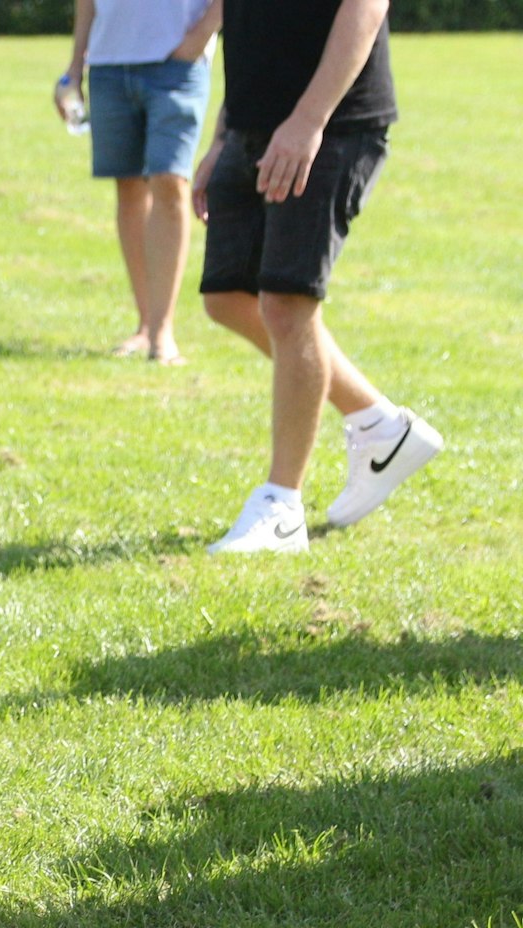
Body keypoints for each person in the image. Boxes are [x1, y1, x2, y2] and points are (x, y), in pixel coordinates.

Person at [196, 0, 442, 554]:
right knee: (229, 294)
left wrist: (308, 119)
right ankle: (381, 426)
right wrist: (222, 137)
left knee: (286, 303)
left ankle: (281, 507)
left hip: (331, 122)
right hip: (252, 123)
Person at [61, 0, 221, 364]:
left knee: (169, 181)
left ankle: (163, 331)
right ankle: (145, 325)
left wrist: (201, 35)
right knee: (129, 189)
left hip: (179, 64)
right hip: (107, 65)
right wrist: (74, 69)